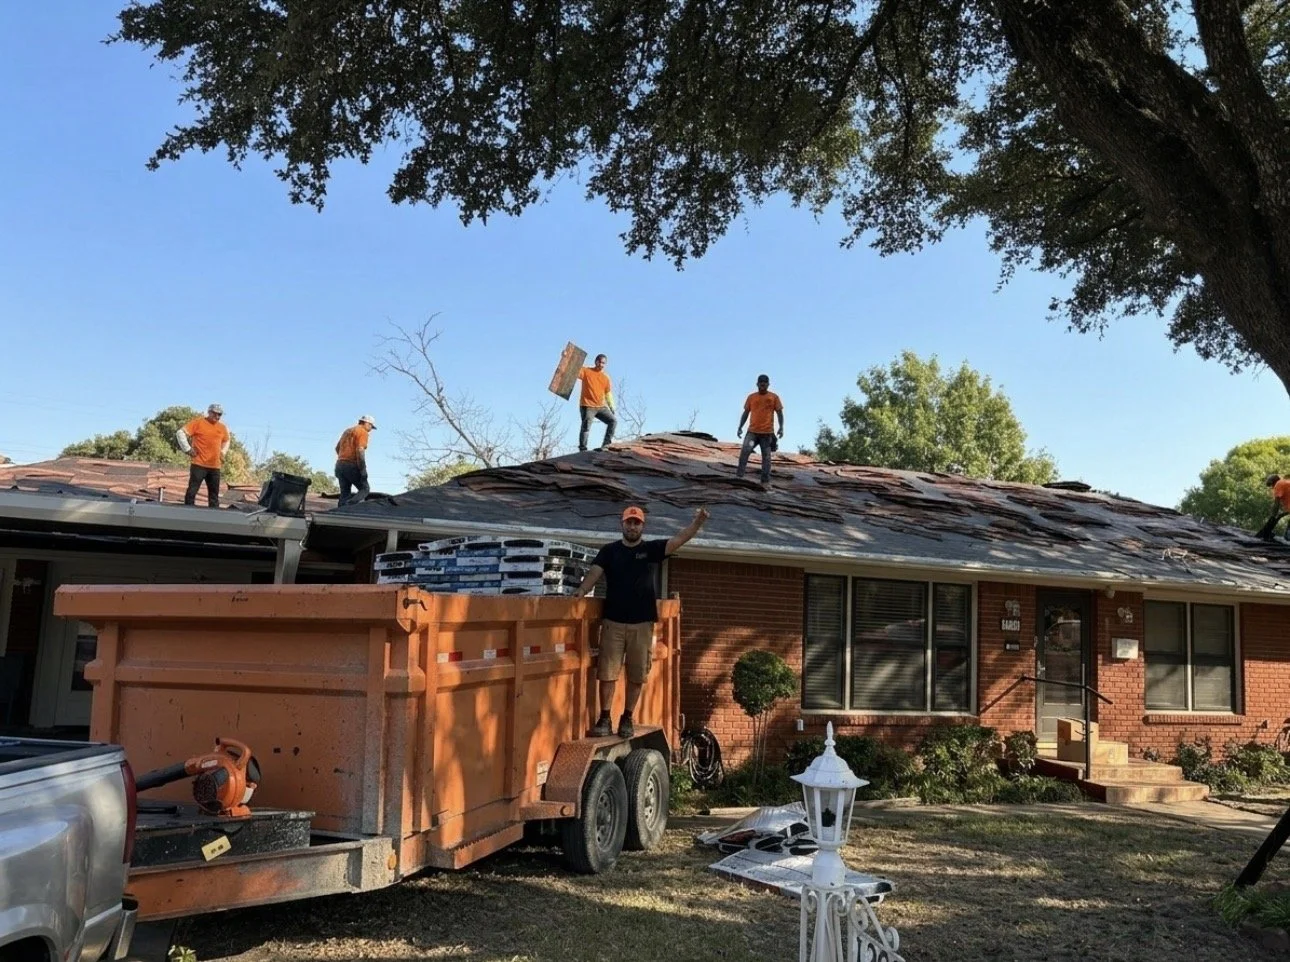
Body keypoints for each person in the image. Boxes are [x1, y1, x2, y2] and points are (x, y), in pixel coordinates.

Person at [576, 504, 710, 738]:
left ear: (642, 526)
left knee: (637, 674)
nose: (632, 526)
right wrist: (579, 593)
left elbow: (679, 540)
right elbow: (594, 574)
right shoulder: (609, 551)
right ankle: (604, 718)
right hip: (613, 622)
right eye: (629, 522)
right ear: (622, 523)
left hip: (642, 624)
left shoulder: (651, 550)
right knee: (607, 672)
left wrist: (697, 523)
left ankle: (627, 718)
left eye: (636, 523)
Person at [176, 404, 231, 508]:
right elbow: (180, 433)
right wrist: (187, 449)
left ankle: (214, 518)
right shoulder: (199, 423)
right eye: (215, 413)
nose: (217, 416)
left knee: (214, 495)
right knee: (192, 491)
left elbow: (227, 440)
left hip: (215, 466)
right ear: (209, 412)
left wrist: (223, 452)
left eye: (219, 414)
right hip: (199, 464)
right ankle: (187, 513)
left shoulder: (222, 427)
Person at [736, 374, 784, 485]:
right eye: (761, 382)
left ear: (768, 384)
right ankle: (739, 476)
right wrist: (740, 427)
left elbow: (780, 413)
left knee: (766, 458)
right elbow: (746, 412)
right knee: (745, 452)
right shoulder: (751, 397)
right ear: (757, 384)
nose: (763, 384)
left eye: (765, 382)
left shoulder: (774, 397)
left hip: (767, 434)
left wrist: (781, 427)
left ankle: (765, 481)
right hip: (752, 432)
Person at [576, 353, 616, 451]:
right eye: (600, 362)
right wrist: (565, 356)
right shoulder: (586, 371)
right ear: (596, 361)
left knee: (613, 421)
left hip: (600, 406)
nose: (601, 365)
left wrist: (612, 406)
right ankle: (583, 449)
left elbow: (608, 393)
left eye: (604, 363)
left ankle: (606, 445)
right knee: (586, 428)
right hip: (587, 405)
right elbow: (573, 369)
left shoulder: (605, 377)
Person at [335, 415, 377, 506]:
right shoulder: (362, 432)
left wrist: (343, 459)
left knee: (345, 493)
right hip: (351, 465)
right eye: (371, 426)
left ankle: (340, 513)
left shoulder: (347, 431)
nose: (370, 429)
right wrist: (363, 470)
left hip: (339, 465)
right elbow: (360, 450)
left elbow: (337, 448)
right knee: (365, 489)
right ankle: (349, 505)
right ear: (366, 423)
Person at [1257, 473, 1290, 540]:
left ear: (1273, 483)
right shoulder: (1285, 483)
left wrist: (1272, 517)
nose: (1272, 488)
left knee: (1288, 536)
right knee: (1287, 536)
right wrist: (1281, 515)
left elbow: (1276, 505)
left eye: (1271, 486)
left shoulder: (1278, 484)